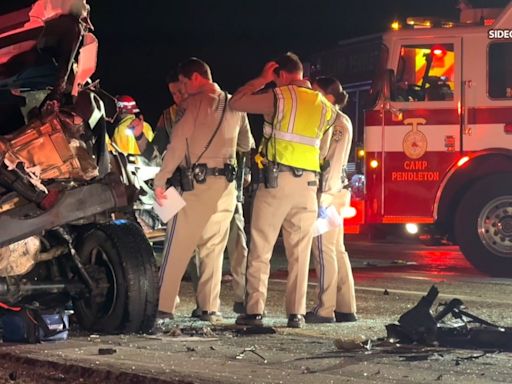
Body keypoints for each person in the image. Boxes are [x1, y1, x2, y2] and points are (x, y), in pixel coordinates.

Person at [230, 52, 337, 328]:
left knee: (261, 248)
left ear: (282, 74)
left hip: (276, 182)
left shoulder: (279, 97)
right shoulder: (325, 106)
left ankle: (254, 311)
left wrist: (261, 80)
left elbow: (236, 102)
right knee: (300, 254)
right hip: (308, 187)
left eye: (275, 78)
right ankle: (296, 314)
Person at [154, 57, 252, 323]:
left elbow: (176, 145)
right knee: (213, 250)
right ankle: (209, 308)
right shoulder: (234, 104)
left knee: (176, 248)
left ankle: (163, 308)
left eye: (184, 84)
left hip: (195, 185)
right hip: (227, 189)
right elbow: (245, 144)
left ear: (195, 78)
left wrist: (160, 180)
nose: (182, 91)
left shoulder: (192, 105)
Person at [304, 76, 357, 324]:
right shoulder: (334, 120)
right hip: (336, 193)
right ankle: (345, 308)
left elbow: (333, 164)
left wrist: (323, 198)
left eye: (316, 93)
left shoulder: (336, 123)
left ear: (330, 97)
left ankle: (325, 310)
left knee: (324, 251)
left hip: (330, 194)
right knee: (336, 250)